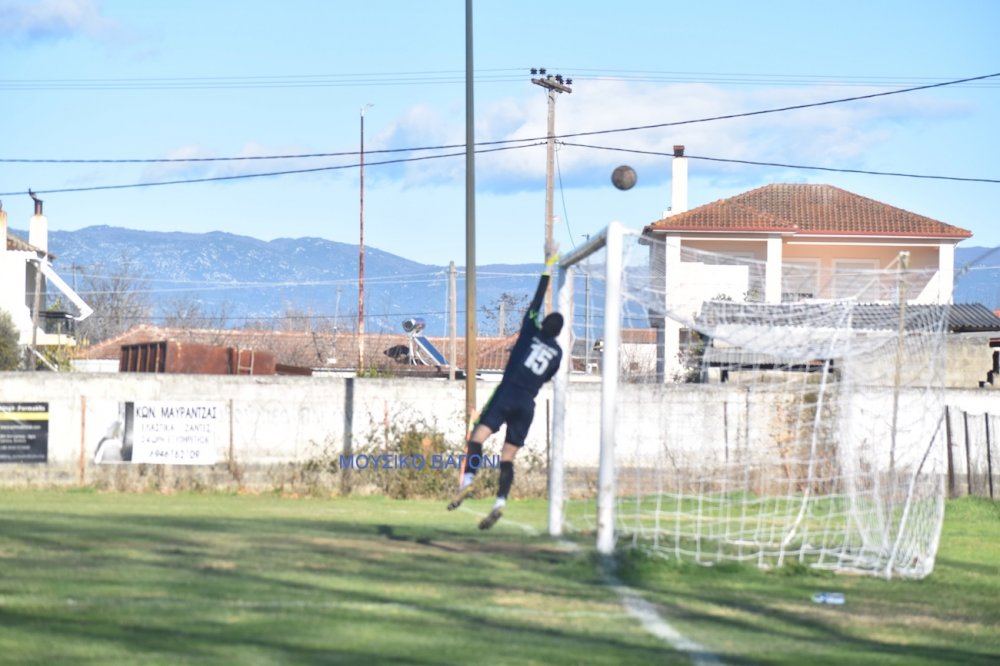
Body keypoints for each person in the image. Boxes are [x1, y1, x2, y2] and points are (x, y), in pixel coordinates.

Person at [447, 251, 564, 530]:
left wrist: (548, 266)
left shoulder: (530, 331)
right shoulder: (557, 353)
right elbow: (548, 376)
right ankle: (500, 502)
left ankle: (468, 482)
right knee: (507, 457)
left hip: (508, 392)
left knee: (477, 438)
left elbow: (536, 300)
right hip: (528, 403)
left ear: (542, 324)